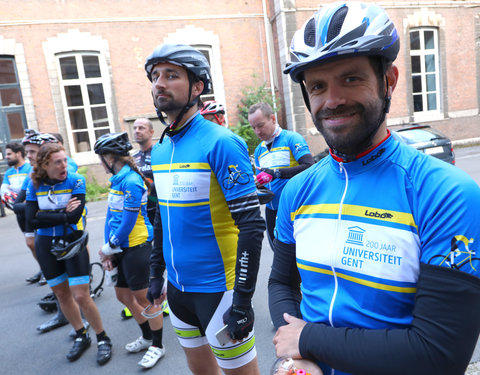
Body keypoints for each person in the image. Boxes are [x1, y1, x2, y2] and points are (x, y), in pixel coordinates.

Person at [269, 2, 480, 375]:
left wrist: (307, 341)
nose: (332, 100)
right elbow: (280, 282)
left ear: (389, 80)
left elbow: (439, 355)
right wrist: (296, 359)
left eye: (351, 79)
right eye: (318, 85)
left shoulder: (446, 193)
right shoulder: (297, 190)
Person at [145, 43, 265, 375]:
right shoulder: (161, 147)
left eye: (171, 75)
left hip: (220, 292)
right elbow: (161, 219)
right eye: (155, 76)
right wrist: (156, 274)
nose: (160, 83)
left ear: (197, 86)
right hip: (178, 291)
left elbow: (252, 227)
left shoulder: (221, 142)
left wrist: (242, 301)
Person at [25, 142, 112, 365]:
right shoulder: (34, 183)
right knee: (62, 295)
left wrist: (50, 214)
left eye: (65, 160)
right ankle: (81, 335)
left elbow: (74, 218)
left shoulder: (76, 180)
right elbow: (31, 220)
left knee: (81, 295)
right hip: (46, 244)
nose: (64, 165)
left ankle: (103, 338)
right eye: (58, 162)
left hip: (73, 241)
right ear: (45, 165)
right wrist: (63, 214)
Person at [95, 132, 165, 369]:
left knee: (145, 298)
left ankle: (157, 345)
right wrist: (108, 248)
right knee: (123, 296)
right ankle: (147, 337)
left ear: (109, 157)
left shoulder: (132, 181)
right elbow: (110, 218)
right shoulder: (117, 180)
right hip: (119, 246)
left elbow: (127, 221)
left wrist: (109, 247)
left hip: (137, 245)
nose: (99, 162)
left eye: (100, 158)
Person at [248, 102, 314, 250]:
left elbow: (309, 166)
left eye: (260, 125)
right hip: (272, 210)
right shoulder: (259, 150)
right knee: (278, 254)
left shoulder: (291, 138)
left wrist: (277, 173)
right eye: (253, 127)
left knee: (297, 256)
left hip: (294, 207)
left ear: (272, 119)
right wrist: (256, 183)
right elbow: (265, 182)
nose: (257, 131)